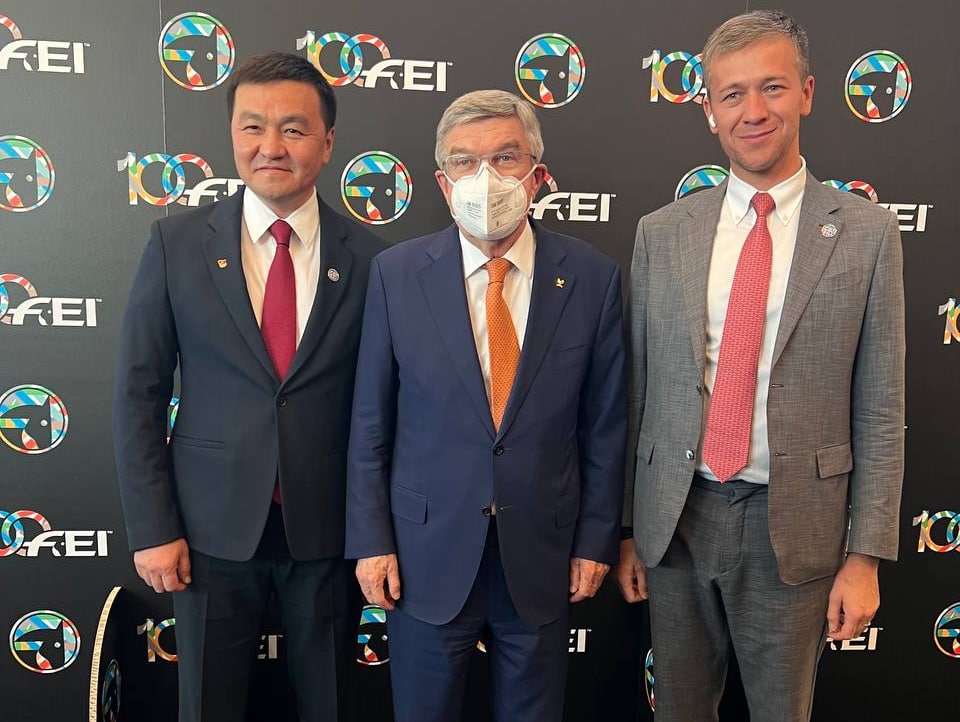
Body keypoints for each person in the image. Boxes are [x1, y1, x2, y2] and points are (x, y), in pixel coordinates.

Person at [617, 10, 904, 721]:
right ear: (709, 111)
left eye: (772, 87)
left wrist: (864, 556)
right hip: (677, 523)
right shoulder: (662, 233)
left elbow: (880, 407)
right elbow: (638, 393)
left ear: (806, 93)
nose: (753, 111)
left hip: (796, 528)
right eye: (732, 94)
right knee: (679, 710)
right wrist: (627, 529)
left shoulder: (867, 233)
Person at [112, 51, 387, 722]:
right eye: (252, 127)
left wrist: (378, 530)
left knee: (332, 705)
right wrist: (153, 528)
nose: (271, 146)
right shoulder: (176, 245)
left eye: (293, 128)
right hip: (207, 532)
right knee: (207, 706)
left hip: (328, 531)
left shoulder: (375, 259)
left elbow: (387, 406)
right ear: (233, 135)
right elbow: (138, 395)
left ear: (327, 142)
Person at [345, 89, 626, 722]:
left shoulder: (592, 277)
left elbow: (605, 427)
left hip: (543, 554)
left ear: (538, 174)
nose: (486, 178)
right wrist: (371, 541)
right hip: (423, 554)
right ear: (443, 184)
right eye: (465, 162)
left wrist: (596, 541)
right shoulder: (395, 274)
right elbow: (370, 422)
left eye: (505, 157)